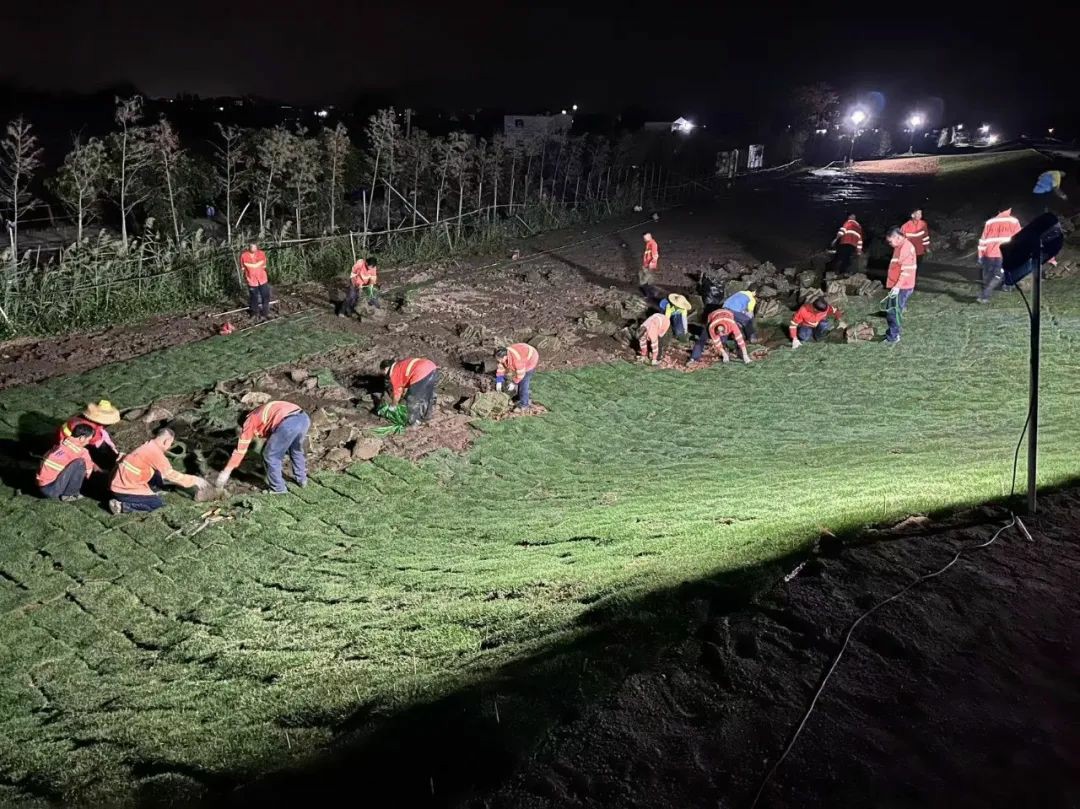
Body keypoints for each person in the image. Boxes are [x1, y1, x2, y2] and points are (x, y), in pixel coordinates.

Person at [214, 401, 310, 494]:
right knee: (295, 450)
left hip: (288, 423)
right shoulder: (261, 413)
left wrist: (226, 471)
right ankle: (302, 480)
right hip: (304, 418)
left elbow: (240, 451)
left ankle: (278, 489)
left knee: (270, 456)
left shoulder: (250, 421)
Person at [108, 428, 209, 514]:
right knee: (156, 504)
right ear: (166, 441)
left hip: (118, 483)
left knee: (157, 474)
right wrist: (196, 480)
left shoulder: (146, 446)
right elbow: (171, 474)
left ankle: (152, 490)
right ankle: (122, 506)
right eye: (170, 443)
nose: (169, 446)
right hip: (123, 490)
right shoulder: (155, 453)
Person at [37, 423, 99, 501]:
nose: (88, 442)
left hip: (41, 485)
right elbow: (88, 472)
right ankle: (69, 494)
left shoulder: (63, 443)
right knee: (81, 463)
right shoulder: (82, 452)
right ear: (82, 438)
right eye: (88, 440)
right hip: (51, 490)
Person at [976, 207, 1022, 303]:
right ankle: (985, 296)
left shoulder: (990, 222)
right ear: (1009, 209)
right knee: (998, 275)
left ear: (999, 210)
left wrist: (980, 255)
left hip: (988, 253)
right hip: (1002, 253)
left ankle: (996, 288)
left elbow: (983, 240)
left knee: (988, 275)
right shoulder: (1014, 221)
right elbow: (1019, 238)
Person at [56, 399, 121, 467]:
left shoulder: (79, 417)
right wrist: (113, 453)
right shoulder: (91, 428)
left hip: (61, 436)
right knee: (102, 451)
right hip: (66, 445)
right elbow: (99, 444)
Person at [884, 227, 918, 344]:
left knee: (893, 312)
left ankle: (893, 336)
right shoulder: (900, 246)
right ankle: (893, 333)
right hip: (900, 285)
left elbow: (906, 271)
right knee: (893, 310)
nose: (890, 244)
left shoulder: (905, 248)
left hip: (902, 286)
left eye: (890, 241)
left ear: (897, 237)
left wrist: (897, 287)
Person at [382, 358, 439, 426]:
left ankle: (414, 422)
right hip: (432, 368)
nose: (384, 374)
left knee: (412, 400)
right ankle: (427, 416)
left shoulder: (394, 372)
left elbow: (397, 394)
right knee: (427, 396)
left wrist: (393, 405)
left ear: (386, 368)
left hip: (421, 373)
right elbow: (405, 387)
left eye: (383, 371)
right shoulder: (400, 365)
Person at [495, 344, 539, 409]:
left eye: (500, 359)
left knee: (524, 382)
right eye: (498, 359)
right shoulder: (503, 355)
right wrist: (499, 381)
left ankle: (524, 404)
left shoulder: (517, 361)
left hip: (531, 358)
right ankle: (518, 397)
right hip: (523, 351)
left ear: (505, 356)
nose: (499, 361)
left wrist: (513, 383)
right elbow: (501, 368)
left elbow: (521, 375)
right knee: (517, 378)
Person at [239, 242, 272, 321]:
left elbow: (263, 266)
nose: (253, 248)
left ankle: (265, 313)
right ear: (248, 247)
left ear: (257, 247)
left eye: (254, 247)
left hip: (262, 279)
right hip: (251, 280)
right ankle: (254, 313)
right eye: (251, 247)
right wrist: (246, 278)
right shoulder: (244, 256)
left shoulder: (261, 254)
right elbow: (243, 268)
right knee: (254, 297)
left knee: (265, 296)